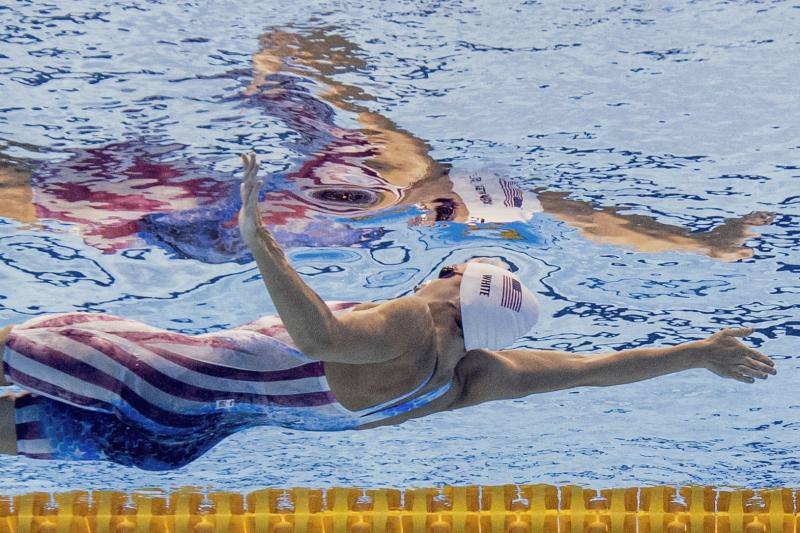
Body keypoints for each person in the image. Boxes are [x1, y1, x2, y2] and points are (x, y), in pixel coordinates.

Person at [0, 154, 777, 470]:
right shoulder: (472, 376)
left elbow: (319, 335)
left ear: (458, 295)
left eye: (457, 267)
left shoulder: (415, 324)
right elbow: (594, 370)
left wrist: (259, 239)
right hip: (177, 438)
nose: (444, 264)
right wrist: (697, 351)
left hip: (153, 373)